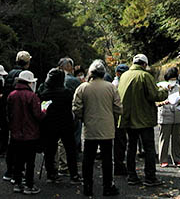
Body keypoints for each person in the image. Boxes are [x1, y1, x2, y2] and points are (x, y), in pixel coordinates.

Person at [73, 59, 122, 197]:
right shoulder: (111, 87)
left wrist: (83, 117)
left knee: (88, 160)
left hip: (90, 128)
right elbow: (118, 108)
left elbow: (76, 108)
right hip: (107, 128)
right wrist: (113, 117)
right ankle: (108, 187)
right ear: (103, 72)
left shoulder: (83, 87)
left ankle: (87, 187)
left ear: (90, 73)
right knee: (107, 159)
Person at [117, 53, 168, 187]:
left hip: (128, 119)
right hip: (144, 119)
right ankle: (150, 177)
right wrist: (165, 90)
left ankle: (132, 176)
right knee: (149, 149)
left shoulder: (124, 76)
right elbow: (155, 95)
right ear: (144, 65)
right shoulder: (145, 76)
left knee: (131, 148)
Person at [40, 68, 81, 183]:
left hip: (50, 125)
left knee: (50, 150)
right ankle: (74, 175)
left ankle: (51, 174)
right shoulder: (67, 93)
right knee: (70, 150)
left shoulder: (44, 94)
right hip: (66, 124)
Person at [8, 69, 43, 195]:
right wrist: (44, 112)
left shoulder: (11, 95)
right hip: (31, 133)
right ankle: (29, 185)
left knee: (18, 160)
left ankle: (17, 183)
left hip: (16, 133)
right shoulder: (32, 96)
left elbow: (9, 114)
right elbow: (38, 115)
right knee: (30, 161)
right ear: (29, 82)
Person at [2, 50, 32, 181]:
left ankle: (9, 170)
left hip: (10, 112)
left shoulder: (9, 74)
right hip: (21, 114)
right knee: (21, 146)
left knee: (12, 143)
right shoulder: (24, 75)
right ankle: (18, 172)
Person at [158, 67, 180, 167]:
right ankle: (163, 159)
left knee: (176, 139)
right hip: (165, 115)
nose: (173, 81)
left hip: (177, 114)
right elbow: (156, 100)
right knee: (164, 139)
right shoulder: (160, 86)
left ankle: (177, 159)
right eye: (171, 79)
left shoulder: (178, 87)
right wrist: (163, 102)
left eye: (175, 79)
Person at [112, 63, 129, 176]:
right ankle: (119, 165)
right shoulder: (114, 85)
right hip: (117, 116)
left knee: (121, 142)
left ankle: (119, 164)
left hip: (120, 116)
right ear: (117, 73)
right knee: (119, 142)